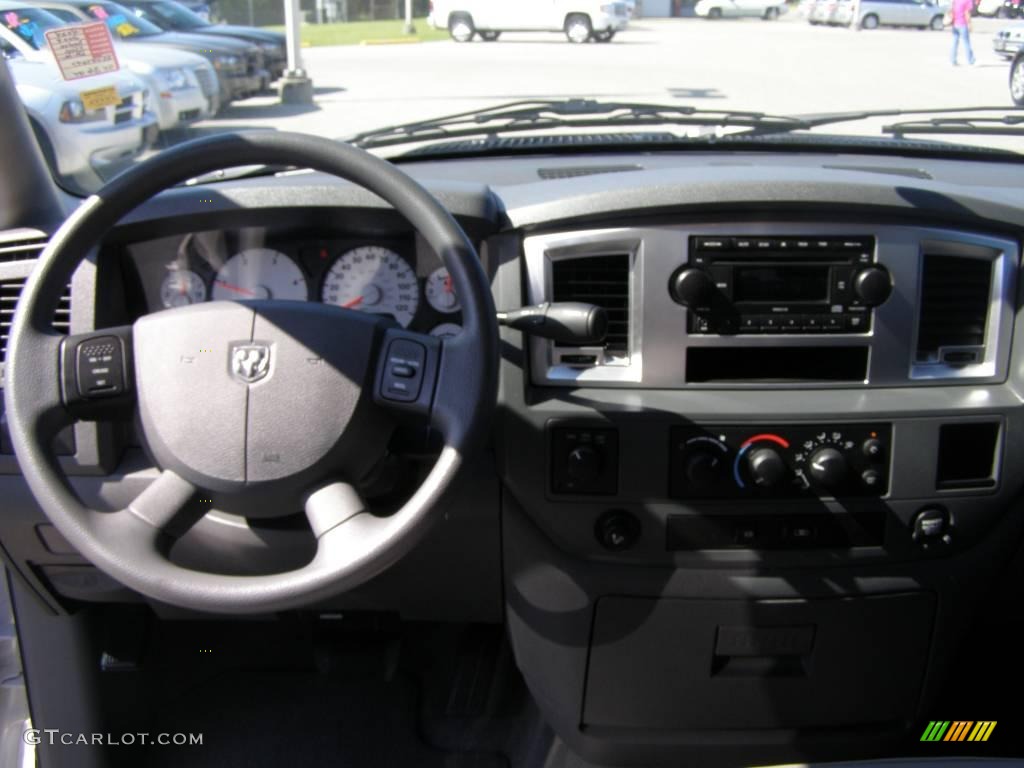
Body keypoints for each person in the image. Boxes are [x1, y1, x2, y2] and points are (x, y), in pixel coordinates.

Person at [950, 0, 976, 66]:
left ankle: (953, 60)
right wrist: (970, 24)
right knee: (966, 43)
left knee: (954, 43)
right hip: (963, 24)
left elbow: (952, 9)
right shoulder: (968, 1)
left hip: (955, 23)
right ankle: (970, 60)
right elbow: (967, 13)